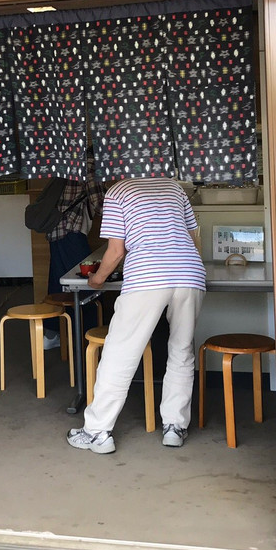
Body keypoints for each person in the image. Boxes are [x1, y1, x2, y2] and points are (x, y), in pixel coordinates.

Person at [66, 176, 204, 454]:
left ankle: (97, 432)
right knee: (181, 350)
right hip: (190, 273)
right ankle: (175, 427)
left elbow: (116, 251)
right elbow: (192, 237)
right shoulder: (173, 187)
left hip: (147, 278)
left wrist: (97, 279)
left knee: (120, 353)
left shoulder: (118, 192)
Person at [42, 167, 105, 349]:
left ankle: (53, 334)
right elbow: (101, 204)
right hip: (72, 231)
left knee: (59, 283)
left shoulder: (65, 164)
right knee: (88, 283)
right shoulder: (89, 167)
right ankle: (91, 335)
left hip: (56, 231)